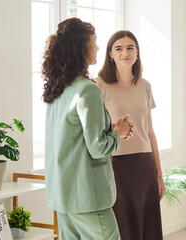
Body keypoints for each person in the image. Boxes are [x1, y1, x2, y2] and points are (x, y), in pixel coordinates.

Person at [42, 18, 134, 240]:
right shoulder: (87, 90)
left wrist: (109, 127)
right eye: (94, 43)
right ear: (81, 49)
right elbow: (97, 147)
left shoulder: (58, 88)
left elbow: (71, 135)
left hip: (61, 194)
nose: (98, 48)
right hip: (87, 195)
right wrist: (118, 134)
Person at [94, 30, 165, 240]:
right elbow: (96, 131)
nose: (125, 52)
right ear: (110, 54)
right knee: (123, 227)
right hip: (115, 164)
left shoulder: (145, 86)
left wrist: (159, 175)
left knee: (148, 226)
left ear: (137, 53)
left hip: (144, 164)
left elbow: (150, 132)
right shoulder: (99, 86)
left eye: (130, 48)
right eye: (119, 48)